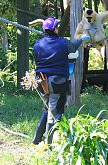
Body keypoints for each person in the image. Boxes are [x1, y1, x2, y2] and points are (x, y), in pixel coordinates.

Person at [32, 17, 90, 145]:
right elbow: (73, 47)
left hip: (41, 81)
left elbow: (36, 60)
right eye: (57, 27)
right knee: (55, 113)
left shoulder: (37, 44)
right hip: (57, 82)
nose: (58, 28)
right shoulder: (63, 42)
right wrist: (81, 39)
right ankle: (49, 145)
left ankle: (36, 140)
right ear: (54, 29)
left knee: (47, 109)